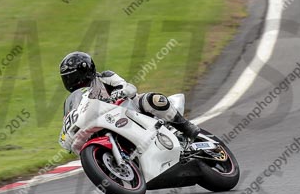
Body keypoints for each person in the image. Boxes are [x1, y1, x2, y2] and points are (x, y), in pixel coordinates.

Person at [59, 52, 200, 146]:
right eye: (68, 78)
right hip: (104, 125)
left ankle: (186, 127)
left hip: (129, 109)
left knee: (153, 99)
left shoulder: (105, 77)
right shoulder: (74, 100)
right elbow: (69, 120)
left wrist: (119, 93)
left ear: (87, 70)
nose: (73, 81)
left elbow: (128, 87)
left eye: (74, 77)